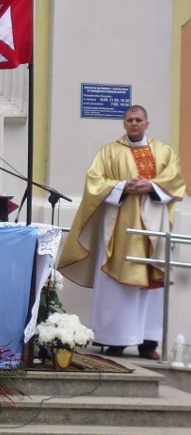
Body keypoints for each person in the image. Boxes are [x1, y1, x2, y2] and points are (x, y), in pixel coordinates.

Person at [59, 105, 185, 360]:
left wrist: (150, 185)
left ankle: (148, 343)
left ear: (147, 123)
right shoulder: (110, 152)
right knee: (116, 287)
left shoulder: (164, 152)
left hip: (153, 235)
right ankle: (114, 340)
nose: (134, 124)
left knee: (151, 289)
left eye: (139, 120)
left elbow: (175, 181)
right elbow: (94, 182)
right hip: (120, 234)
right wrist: (123, 186)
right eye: (130, 120)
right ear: (124, 123)